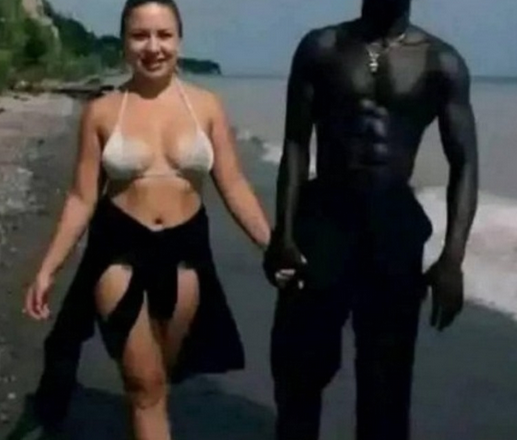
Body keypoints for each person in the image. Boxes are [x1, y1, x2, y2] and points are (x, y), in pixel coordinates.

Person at [23, 1, 273, 439]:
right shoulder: (103, 111)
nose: (153, 47)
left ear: (179, 42)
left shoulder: (207, 106)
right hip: (118, 253)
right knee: (144, 387)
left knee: (161, 375)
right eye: (140, 36)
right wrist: (48, 269)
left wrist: (272, 245)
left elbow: (233, 184)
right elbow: (82, 197)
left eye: (164, 35)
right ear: (124, 43)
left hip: (185, 254)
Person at [263, 0, 478, 439]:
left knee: (386, 387)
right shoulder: (322, 48)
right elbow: (296, 143)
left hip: (393, 231)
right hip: (323, 222)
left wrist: (453, 259)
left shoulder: (441, 61)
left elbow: (465, 163)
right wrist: (283, 232)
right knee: (299, 372)